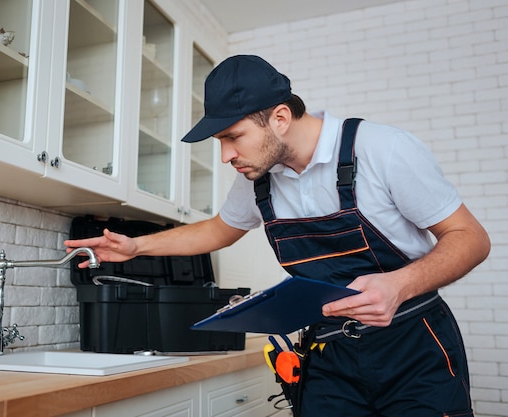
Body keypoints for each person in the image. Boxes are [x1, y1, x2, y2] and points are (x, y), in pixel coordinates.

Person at [65, 55, 490, 416]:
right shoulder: (258, 180)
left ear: (280, 118)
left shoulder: (382, 150)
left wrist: (399, 284)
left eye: (233, 137)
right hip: (328, 355)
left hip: (414, 346)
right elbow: (219, 230)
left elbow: (470, 237)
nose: (227, 155)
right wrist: (137, 246)